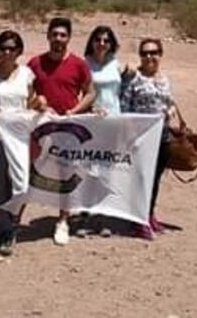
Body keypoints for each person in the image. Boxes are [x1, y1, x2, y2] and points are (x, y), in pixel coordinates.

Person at [27, 17, 95, 246]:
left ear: (69, 38)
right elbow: (25, 93)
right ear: (47, 36)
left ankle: (63, 220)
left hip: (68, 128)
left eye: (62, 35)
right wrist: (37, 102)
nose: (58, 39)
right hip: (41, 127)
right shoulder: (35, 63)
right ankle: (15, 218)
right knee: (31, 170)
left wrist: (74, 111)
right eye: (54, 34)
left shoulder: (78, 64)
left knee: (65, 173)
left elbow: (90, 93)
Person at [0, 30, 36, 256]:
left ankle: (9, 222)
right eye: (3, 48)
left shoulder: (27, 74)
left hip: (21, 137)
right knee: (1, 185)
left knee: (22, 185)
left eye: (12, 48)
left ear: (19, 51)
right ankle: (4, 231)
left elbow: (31, 101)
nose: (7, 52)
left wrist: (40, 104)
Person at [120, 38, 179, 241]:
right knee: (141, 181)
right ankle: (138, 220)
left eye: (153, 52)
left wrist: (168, 112)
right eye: (144, 53)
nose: (149, 57)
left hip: (162, 137)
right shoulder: (134, 79)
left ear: (160, 55)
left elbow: (171, 102)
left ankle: (149, 214)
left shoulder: (164, 79)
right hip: (141, 139)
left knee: (154, 180)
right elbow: (125, 106)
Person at [82, 25, 123, 237]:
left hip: (113, 121)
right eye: (98, 39)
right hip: (91, 121)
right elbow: (80, 91)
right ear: (92, 41)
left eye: (106, 40)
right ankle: (87, 215)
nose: (102, 44)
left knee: (108, 169)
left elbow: (125, 90)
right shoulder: (85, 63)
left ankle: (104, 216)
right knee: (90, 168)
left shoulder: (117, 64)